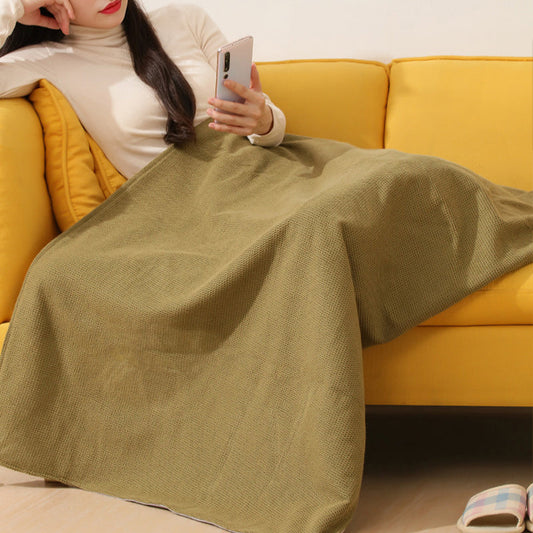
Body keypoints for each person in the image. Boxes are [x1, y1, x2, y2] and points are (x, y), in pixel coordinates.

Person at [0, 0, 287, 178]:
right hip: (192, 211)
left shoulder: (185, 17)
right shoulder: (42, 61)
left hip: (261, 174)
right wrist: (14, 5)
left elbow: (273, 128)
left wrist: (263, 121)